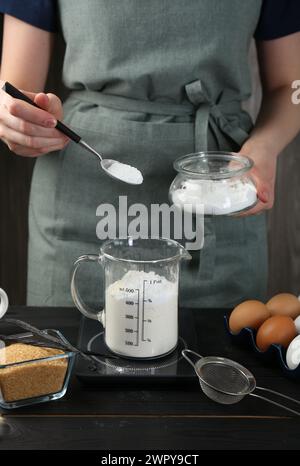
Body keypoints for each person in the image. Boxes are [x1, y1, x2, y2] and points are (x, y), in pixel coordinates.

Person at [0, 0, 299, 308]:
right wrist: (18, 119)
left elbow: (290, 86)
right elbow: (15, 89)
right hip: (83, 195)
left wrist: (264, 149)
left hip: (216, 194)